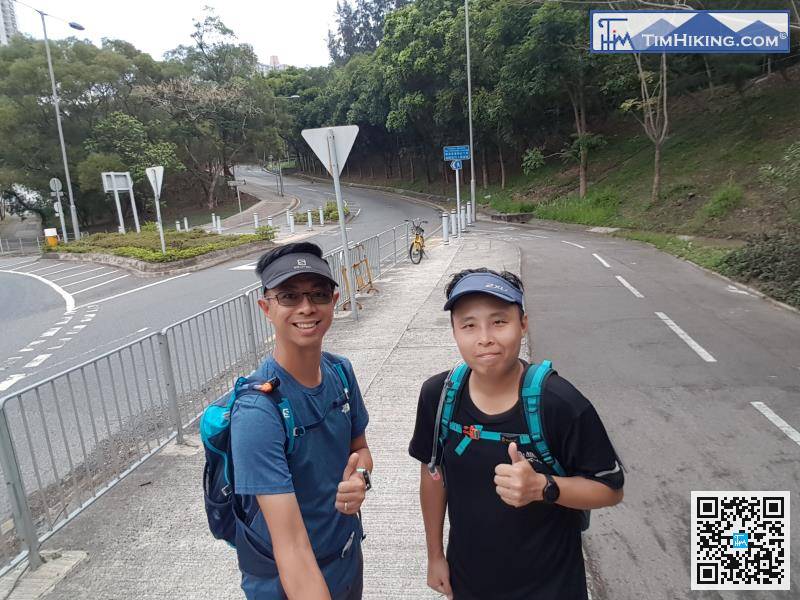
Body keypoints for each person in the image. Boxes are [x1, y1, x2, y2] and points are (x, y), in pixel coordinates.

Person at [408, 268, 624, 600]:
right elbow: (433, 472)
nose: (485, 338)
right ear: (454, 330)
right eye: (469, 325)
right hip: (469, 582)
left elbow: (610, 489)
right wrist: (435, 555)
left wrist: (544, 487)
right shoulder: (437, 396)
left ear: (523, 323)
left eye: (499, 322)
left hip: (551, 587)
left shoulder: (560, 403)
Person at [230, 242, 372, 600]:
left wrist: (361, 478)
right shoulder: (257, 412)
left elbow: (360, 448)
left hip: (346, 557)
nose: (306, 307)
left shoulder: (340, 372)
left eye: (318, 294)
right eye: (289, 296)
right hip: (287, 581)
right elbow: (291, 547)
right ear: (266, 307)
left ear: (334, 300)